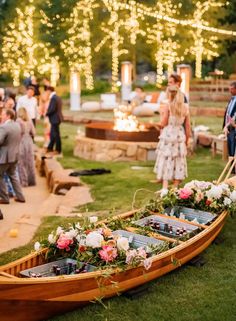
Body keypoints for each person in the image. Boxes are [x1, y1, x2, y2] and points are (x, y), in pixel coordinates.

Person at [153, 85, 191, 191]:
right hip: (179, 134)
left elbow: (164, 123)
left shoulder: (168, 106)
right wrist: (187, 140)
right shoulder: (185, 107)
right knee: (178, 159)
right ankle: (175, 186)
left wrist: (159, 120)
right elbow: (188, 126)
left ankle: (165, 187)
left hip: (169, 134)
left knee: (166, 158)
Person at [0, 108, 25, 204]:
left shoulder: (4, 127)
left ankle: (5, 198)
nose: (1, 116)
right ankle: (20, 196)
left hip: (4, 157)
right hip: (15, 155)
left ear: (8, 116)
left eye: (3, 114)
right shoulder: (17, 125)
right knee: (13, 175)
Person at [16, 107, 36, 187]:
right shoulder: (30, 121)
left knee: (21, 162)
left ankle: (24, 182)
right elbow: (34, 133)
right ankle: (32, 181)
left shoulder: (18, 121)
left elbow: (17, 133)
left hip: (21, 141)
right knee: (30, 161)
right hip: (29, 141)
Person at [46, 86, 63, 155]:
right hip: (57, 118)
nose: (47, 93)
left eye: (47, 91)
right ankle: (50, 148)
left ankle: (58, 150)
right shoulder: (57, 97)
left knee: (56, 135)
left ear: (49, 91)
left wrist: (46, 113)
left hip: (55, 119)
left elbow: (52, 109)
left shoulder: (53, 98)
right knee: (53, 134)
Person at [223, 81, 236, 157]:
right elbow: (228, 114)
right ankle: (232, 168)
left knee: (233, 151)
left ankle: (234, 168)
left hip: (233, 129)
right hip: (228, 129)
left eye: (232, 89)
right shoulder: (231, 99)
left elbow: (233, 116)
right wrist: (225, 126)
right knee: (230, 152)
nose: (230, 90)